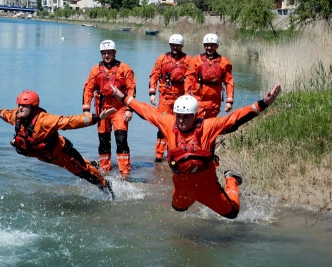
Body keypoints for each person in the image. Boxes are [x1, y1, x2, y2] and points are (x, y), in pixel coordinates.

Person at [111, 83, 281, 219]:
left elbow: (234, 119)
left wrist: (262, 104)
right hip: (182, 187)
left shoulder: (208, 126)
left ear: (194, 115)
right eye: (178, 115)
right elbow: (147, 111)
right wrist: (125, 99)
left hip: (208, 186)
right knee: (177, 210)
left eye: (186, 116)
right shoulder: (169, 123)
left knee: (233, 213)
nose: (181, 120)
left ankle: (231, 179)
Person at [0, 90, 116, 200]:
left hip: (63, 153)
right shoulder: (17, 116)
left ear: (33, 107)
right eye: (19, 105)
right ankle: (93, 164)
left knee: (86, 173)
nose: (20, 108)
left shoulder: (45, 120)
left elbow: (69, 121)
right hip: (46, 157)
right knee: (83, 170)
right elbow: (6, 115)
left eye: (24, 106)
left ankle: (107, 187)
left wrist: (97, 118)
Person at [82, 40, 136, 176]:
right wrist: (86, 111)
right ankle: (105, 169)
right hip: (102, 109)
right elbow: (88, 89)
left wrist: (130, 109)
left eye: (109, 53)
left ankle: (124, 170)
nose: (107, 55)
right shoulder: (95, 70)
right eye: (104, 53)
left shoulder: (125, 69)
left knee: (121, 138)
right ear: (101, 54)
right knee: (103, 139)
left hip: (120, 107)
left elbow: (131, 89)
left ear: (114, 53)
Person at [148, 34, 192, 163]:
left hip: (180, 99)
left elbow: (190, 78)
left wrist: (188, 96)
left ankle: (174, 152)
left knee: (179, 126)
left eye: (177, 45)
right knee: (162, 126)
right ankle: (159, 154)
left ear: (182, 46)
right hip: (165, 98)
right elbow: (154, 76)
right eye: (173, 45)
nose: (175, 47)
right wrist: (152, 93)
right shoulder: (162, 59)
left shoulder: (188, 60)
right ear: (169, 45)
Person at [184, 33, 234, 119]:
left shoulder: (224, 62)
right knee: (197, 126)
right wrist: (186, 94)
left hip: (214, 102)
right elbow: (189, 78)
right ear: (204, 46)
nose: (209, 48)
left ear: (217, 46)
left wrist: (229, 101)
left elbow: (229, 82)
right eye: (207, 45)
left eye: (212, 45)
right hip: (198, 100)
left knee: (210, 127)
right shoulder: (196, 60)